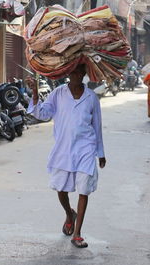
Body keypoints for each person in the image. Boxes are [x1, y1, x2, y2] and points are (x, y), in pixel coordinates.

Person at [26, 64, 106, 248]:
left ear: (84, 74)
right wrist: (35, 92)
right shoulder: (58, 93)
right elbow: (42, 114)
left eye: (80, 71)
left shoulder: (91, 97)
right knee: (61, 189)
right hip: (63, 149)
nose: (76, 75)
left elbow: (97, 126)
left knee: (84, 189)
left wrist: (100, 153)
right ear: (68, 73)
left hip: (86, 148)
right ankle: (70, 214)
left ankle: (77, 233)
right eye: (73, 71)